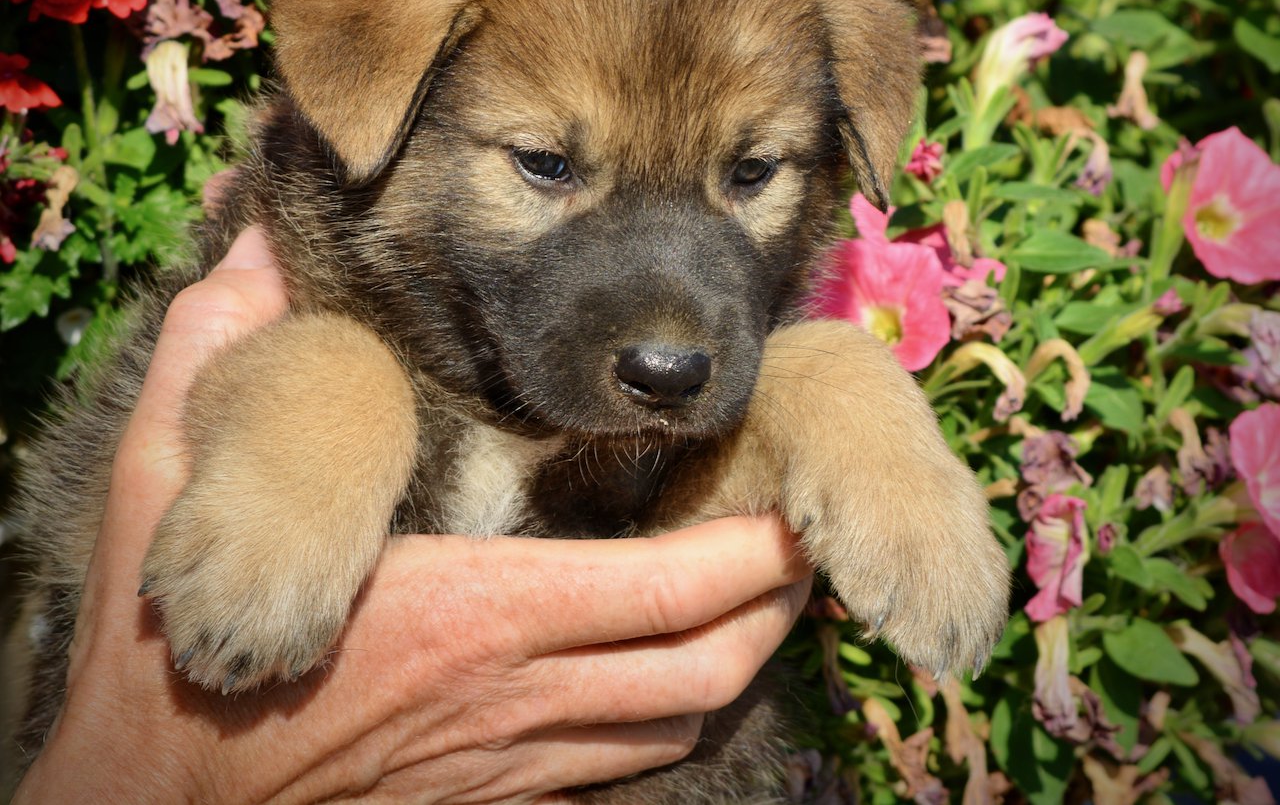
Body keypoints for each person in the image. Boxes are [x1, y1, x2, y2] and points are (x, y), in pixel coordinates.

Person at [13, 227, 812, 803]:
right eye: (544, 161)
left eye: (748, 172)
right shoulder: (339, 331)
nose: (663, 335)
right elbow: (266, 372)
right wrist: (171, 771)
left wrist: (834, 402)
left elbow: (716, 486)